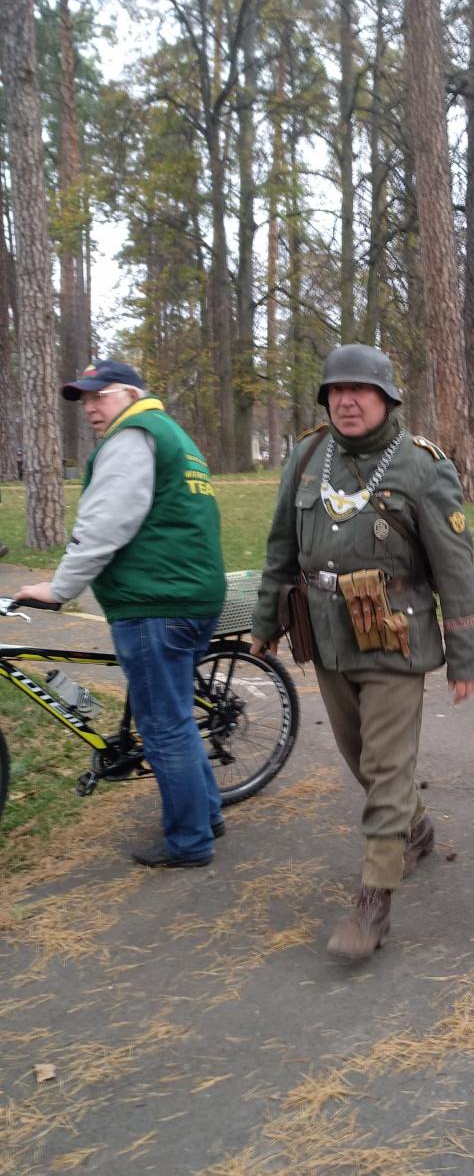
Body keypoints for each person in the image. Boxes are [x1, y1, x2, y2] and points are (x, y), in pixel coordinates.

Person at [250, 344, 474, 961]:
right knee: (360, 758)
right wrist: (265, 620)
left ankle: (373, 901)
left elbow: (456, 567)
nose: (347, 401)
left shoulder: (421, 467)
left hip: (395, 638)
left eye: (361, 390)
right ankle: (417, 827)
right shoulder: (306, 457)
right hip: (327, 635)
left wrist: (466, 651)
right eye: (336, 390)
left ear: (386, 400)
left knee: (385, 766)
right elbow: (281, 544)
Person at [15, 359, 226, 867]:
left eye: (99, 396)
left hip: (155, 604)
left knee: (163, 727)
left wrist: (59, 588)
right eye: (84, 400)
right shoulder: (172, 434)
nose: (90, 407)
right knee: (175, 715)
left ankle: (189, 842)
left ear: (130, 394)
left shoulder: (132, 437)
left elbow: (104, 523)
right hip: (192, 598)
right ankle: (208, 814)